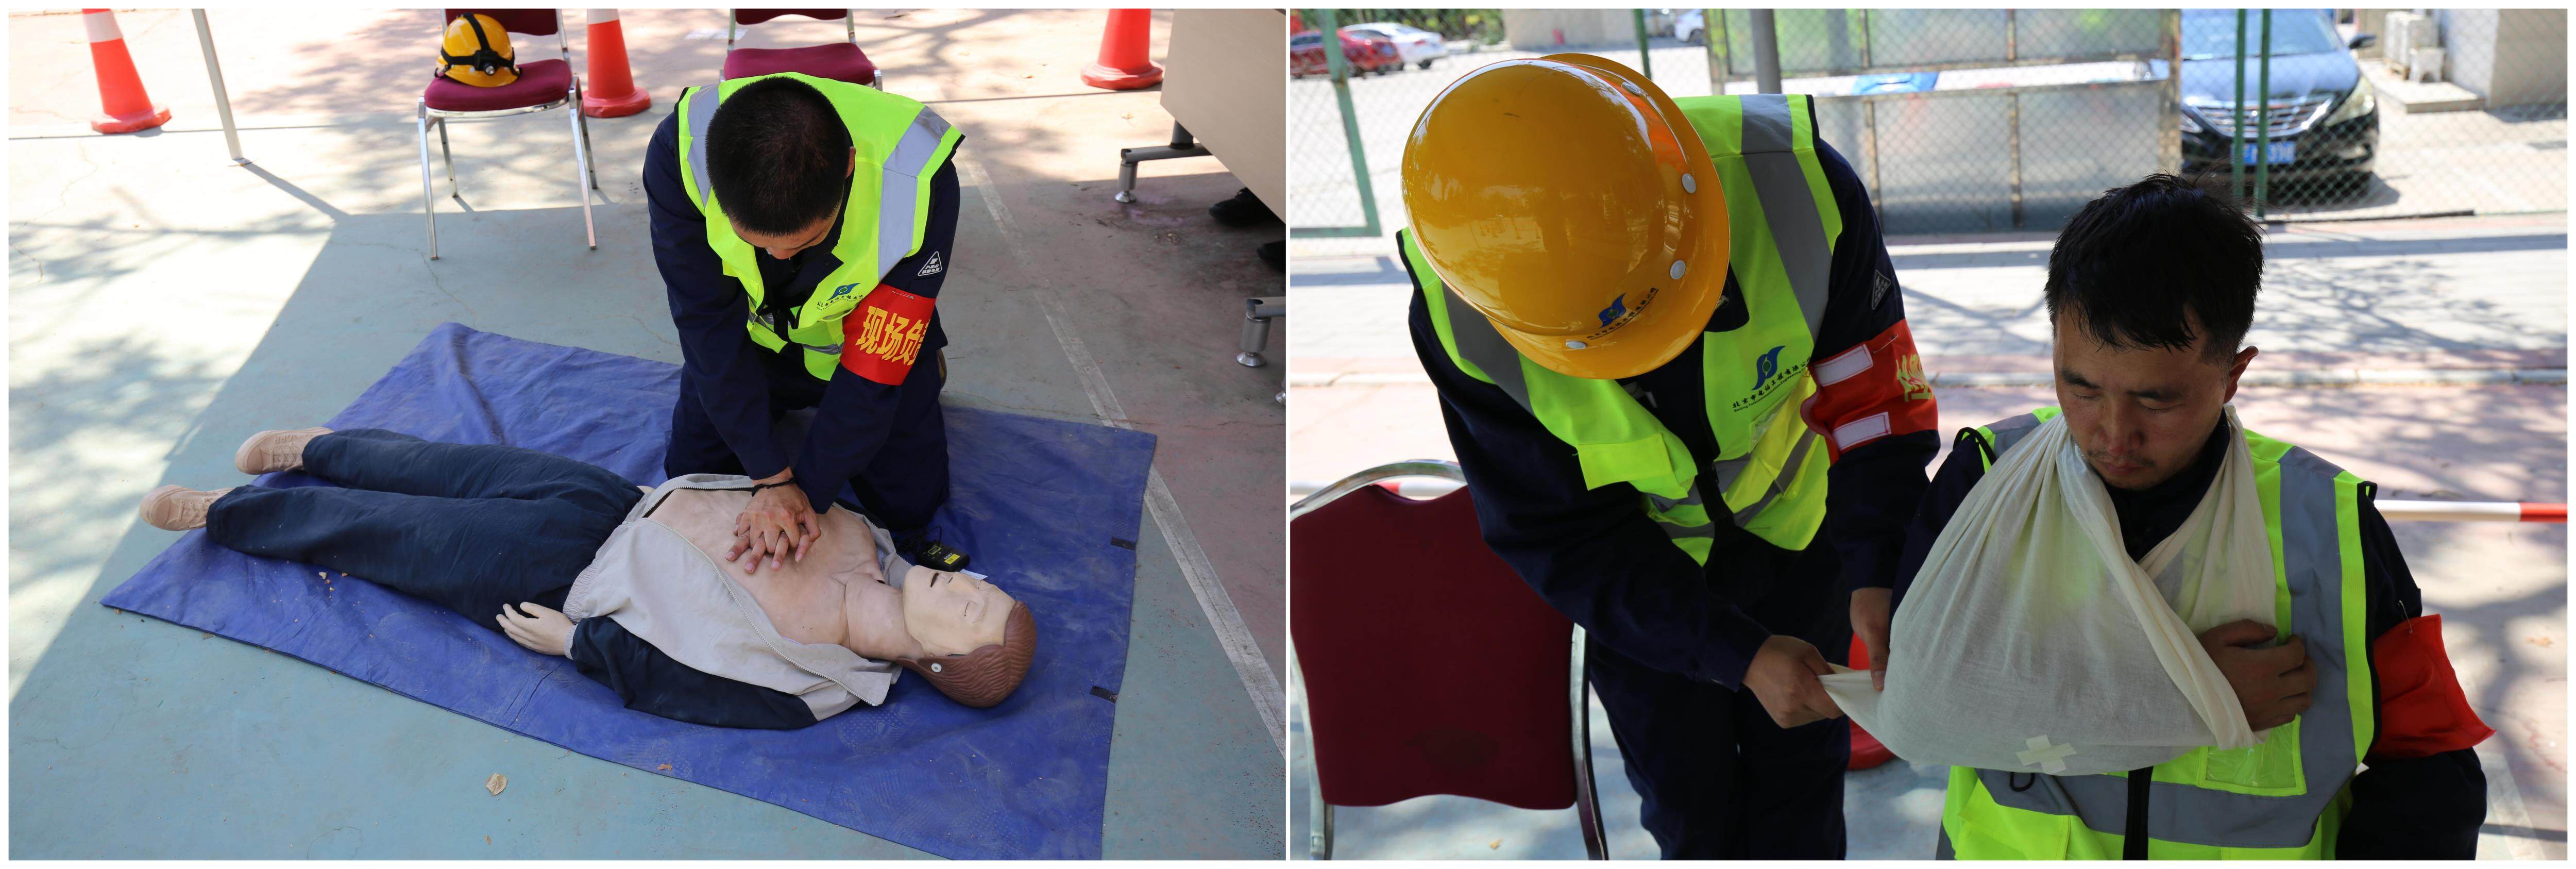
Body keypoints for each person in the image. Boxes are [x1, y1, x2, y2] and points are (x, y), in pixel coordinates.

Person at [1399, 55, 1939, 858]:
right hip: (1640, 596)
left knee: (1802, 788)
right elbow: (1558, 532)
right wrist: (1733, 652)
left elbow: (1874, 407)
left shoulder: (1799, 188)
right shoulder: (1467, 318)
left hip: (1804, 544)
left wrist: (1882, 569)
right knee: (1689, 808)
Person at [1897, 174, 2489, 859]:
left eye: (2157, 400)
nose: (2112, 434)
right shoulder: (1987, 481)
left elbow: (2432, 766)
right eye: (2079, 387)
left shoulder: (2328, 527)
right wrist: (2183, 696)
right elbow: (1915, 702)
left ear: (2233, 374)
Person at [137, 426, 1037, 728]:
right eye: (983, 588)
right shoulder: (874, 538)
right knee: (447, 467)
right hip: (612, 500)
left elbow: (686, 690)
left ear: (941, 665)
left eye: (971, 613)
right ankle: (318, 447)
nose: (967, 587)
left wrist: (579, 643)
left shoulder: (819, 685)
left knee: (392, 534)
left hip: (568, 573)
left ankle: (227, 512)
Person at [645, 71, 969, 578]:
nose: (777, 256)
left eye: (804, 241)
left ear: (848, 166)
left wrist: (806, 496)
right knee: (690, 480)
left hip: (863, 344)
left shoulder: (920, 177)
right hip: (757, 341)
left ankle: (929, 365)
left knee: (909, 509)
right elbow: (706, 324)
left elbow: (876, 367)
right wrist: (771, 477)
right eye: (755, 241)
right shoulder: (680, 154)